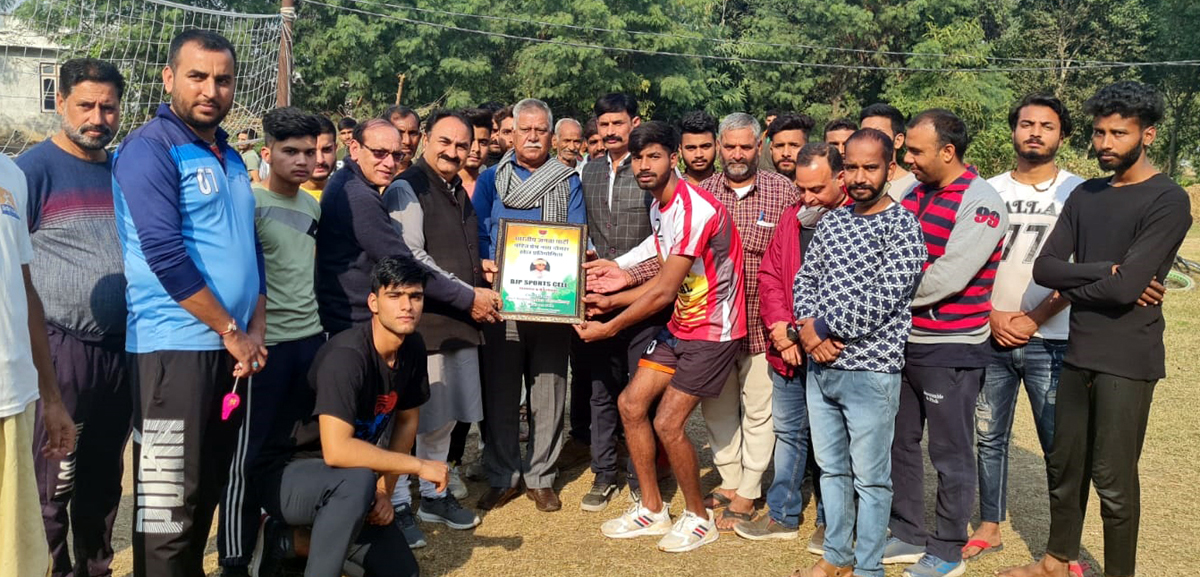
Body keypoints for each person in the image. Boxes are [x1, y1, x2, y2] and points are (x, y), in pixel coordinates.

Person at [1000, 81, 1192, 577]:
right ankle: (1054, 562)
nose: (1105, 143)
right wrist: (1108, 271)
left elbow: (1126, 291)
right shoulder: (1086, 194)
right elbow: (1046, 268)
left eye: (1118, 134)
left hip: (1127, 359)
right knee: (1066, 468)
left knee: (1113, 481)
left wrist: (1104, 280)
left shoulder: (1168, 199)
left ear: (1147, 135)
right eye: (1099, 132)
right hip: (1078, 350)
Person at [111, 29, 267, 577]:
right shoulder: (148, 148)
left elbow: (249, 245)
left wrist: (256, 326)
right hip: (172, 350)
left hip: (232, 349)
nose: (210, 90)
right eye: (197, 76)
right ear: (169, 77)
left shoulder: (230, 154)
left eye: (222, 80)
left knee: (204, 492)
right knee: (166, 506)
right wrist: (232, 330)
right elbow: (164, 253)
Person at [577, 120, 746, 553]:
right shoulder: (659, 205)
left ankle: (699, 518)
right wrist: (612, 287)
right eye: (638, 158)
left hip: (714, 329)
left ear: (674, 159)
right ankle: (652, 509)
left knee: (668, 422)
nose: (644, 165)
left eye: (654, 156)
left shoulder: (694, 209)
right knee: (630, 404)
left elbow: (664, 290)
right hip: (682, 325)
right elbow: (659, 261)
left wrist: (610, 322)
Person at [788, 129, 927, 577]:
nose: (861, 176)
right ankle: (837, 557)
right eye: (852, 167)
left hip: (871, 370)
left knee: (871, 479)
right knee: (831, 471)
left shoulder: (903, 226)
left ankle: (868, 567)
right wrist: (808, 330)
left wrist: (822, 328)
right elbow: (805, 279)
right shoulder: (832, 221)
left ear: (890, 167)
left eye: (871, 167)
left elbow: (884, 297)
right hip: (822, 368)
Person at [251, 257, 446, 577]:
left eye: (415, 296)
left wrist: (384, 490)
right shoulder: (347, 356)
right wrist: (419, 465)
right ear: (373, 302)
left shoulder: (412, 347)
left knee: (402, 572)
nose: (407, 306)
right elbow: (337, 451)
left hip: (349, 486)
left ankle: (286, 541)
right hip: (287, 477)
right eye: (395, 296)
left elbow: (407, 421)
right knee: (356, 480)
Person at [13, 57, 130, 577]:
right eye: (85, 105)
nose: (97, 118)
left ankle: (96, 569)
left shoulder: (124, 170)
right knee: (53, 482)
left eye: (108, 107)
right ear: (60, 102)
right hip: (61, 352)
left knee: (104, 481)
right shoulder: (30, 171)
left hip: (121, 352)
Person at [881, 109, 1007, 577]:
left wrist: (880, 294)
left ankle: (949, 548)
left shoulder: (981, 201)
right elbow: (886, 253)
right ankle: (908, 532)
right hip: (903, 341)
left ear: (948, 151)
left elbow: (949, 277)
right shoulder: (913, 193)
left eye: (916, 151)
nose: (907, 159)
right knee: (900, 441)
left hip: (951, 345)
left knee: (950, 452)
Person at [962, 94, 1083, 564]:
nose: (1035, 132)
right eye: (1027, 123)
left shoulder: (1079, 193)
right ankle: (989, 526)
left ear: (1062, 136)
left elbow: (1083, 270)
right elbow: (968, 262)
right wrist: (991, 314)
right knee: (989, 436)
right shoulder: (985, 190)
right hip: (989, 334)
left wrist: (1035, 318)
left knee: (1058, 444)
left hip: (1053, 339)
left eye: (1046, 126)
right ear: (1013, 130)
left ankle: (1062, 545)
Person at [213, 107, 324, 576]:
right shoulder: (249, 205)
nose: (303, 160)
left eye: (311, 152)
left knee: (294, 449)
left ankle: (279, 545)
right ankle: (234, 559)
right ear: (267, 152)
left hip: (310, 343)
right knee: (244, 457)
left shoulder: (314, 206)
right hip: (265, 349)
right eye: (291, 151)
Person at [384, 110, 500, 545]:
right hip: (424, 324)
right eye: (444, 142)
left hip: (457, 321)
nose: (453, 151)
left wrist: (481, 269)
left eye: (461, 145)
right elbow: (412, 257)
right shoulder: (408, 187)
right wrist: (468, 293)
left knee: (443, 418)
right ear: (427, 140)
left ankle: (433, 496)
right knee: (410, 419)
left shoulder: (454, 188)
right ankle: (396, 502)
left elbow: (455, 248)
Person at [475, 98, 586, 513]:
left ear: (552, 137)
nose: (533, 137)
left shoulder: (568, 180)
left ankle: (542, 477)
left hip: (552, 302)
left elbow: (575, 232)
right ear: (512, 134)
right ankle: (502, 475)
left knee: (549, 391)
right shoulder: (492, 179)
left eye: (541, 130)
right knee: (501, 392)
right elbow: (479, 231)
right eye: (526, 130)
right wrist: (485, 264)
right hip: (502, 299)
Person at [736, 143, 844, 547]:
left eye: (817, 189)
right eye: (801, 188)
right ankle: (782, 514)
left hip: (832, 352)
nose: (807, 198)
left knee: (833, 440)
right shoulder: (792, 218)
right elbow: (770, 275)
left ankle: (833, 522)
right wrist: (781, 330)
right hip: (788, 351)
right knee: (789, 432)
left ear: (841, 178)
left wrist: (811, 335)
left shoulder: (855, 220)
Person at [317, 119, 497, 337]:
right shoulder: (358, 195)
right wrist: (468, 298)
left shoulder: (352, 184)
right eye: (379, 153)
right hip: (352, 323)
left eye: (396, 155)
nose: (389, 163)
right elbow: (402, 261)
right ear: (354, 148)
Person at [576, 93, 668, 513]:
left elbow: (662, 238)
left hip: (645, 296)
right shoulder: (588, 170)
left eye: (618, 123)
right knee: (601, 390)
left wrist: (623, 270)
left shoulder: (650, 171)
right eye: (604, 124)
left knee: (640, 393)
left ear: (634, 122)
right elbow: (583, 228)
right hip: (598, 296)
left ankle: (640, 475)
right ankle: (603, 473)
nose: (611, 131)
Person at [1, 145, 77, 577]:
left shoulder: (11, 174)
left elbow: (24, 286)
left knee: (17, 557)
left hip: (12, 393)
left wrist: (51, 398)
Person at [859, 103, 917, 199]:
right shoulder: (854, 185)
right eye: (863, 134)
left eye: (879, 134)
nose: (869, 140)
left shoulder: (913, 188)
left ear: (898, 141)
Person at [767, 113, 816, 180]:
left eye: (794, 145)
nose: (785, 153)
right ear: (771, 149)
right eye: (779, 146)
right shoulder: (761, 185)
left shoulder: (821, 184)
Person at [300, 115, 338, 201]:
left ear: (335, 149)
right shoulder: (283, 199)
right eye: (311, 152)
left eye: (326, 150)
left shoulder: (348, 195)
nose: (320, 160)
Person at [459, 107, 493, 198]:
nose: (476, 149)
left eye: (483, 142)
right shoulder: (441, 186)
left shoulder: (494, 188)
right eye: (471, 141)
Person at [678, 110, 718, 186]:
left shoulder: (730, 188)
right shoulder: (670, 189)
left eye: (705, 147)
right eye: (691, 148)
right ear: (680, 150)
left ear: (717, 146)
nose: (699, 155)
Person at [384, 105, 422, 174]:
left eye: (412, 133)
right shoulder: (368, 175)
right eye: (399, 133)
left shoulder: (423, 178)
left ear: (420, 137)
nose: (407, 141)